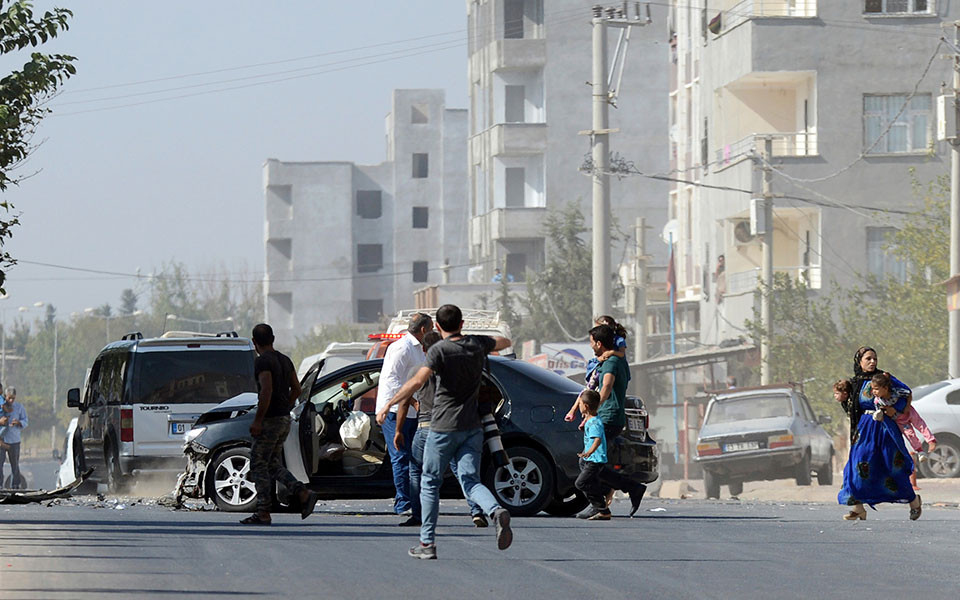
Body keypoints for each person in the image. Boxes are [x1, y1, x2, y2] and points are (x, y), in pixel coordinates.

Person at [387, 303, 513, 559]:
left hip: (442, 427)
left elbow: (417, 382)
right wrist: (481, 340)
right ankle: (494, 510)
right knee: (470, 480)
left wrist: (389, 402)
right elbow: (504, 341)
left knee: (430, 482)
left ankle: (427, 544)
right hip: (472, 427)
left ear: (438, 327)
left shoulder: (439, 351)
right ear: (462, 324)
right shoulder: (476, 344)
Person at [391, 331, 487, 528]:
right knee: (462, 472)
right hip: (452, 426)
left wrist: (399, 430)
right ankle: (476, 510)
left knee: (416, 470)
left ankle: (418, 515)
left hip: (426, 428)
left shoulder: (417, 372)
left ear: (424, 349)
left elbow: (402, 402)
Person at [241, 323, 318, 525]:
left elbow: (266, 390)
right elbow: (297, 389)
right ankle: (302, 492)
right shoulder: (285, 360)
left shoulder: (262, 362)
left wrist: (258, 419)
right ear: (273, 339)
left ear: (254, 342)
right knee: (272, 464)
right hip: (283, 418)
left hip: (269, 420)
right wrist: (286, 405)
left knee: (258, 464)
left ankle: (263, 511)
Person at [565, 325, 645, 518]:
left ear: (599, 343)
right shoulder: (614, 360)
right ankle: (614, 497)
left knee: (589, 464)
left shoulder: (610, 364)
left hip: (608, 417)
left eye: (592, 342)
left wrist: (591, 410)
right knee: (592, 464)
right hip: (610, 417)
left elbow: (606, 387)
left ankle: (602, 504)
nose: (591, 346)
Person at [836, 346, 921, 521]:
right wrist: (843, 400)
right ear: (859, 362)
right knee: (856, 466)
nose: (873, 361)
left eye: (874, 358)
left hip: (885, 429)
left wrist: (893, 409)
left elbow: (905, 393)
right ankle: (858, 507)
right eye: (868, 359)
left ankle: (913, 501)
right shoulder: (855, 383)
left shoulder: (884, 378)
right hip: (865, 430)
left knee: (892, 466)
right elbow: (852, 408)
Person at [375, 312, 433, 519]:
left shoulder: (419, 350)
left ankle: (413, 502)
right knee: (400, 457)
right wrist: (412, 402)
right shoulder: (402, 348)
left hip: (411, 412)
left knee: (412, 459)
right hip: (394, 411)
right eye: (431, 328)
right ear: (424, 329)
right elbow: (393, 382)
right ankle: (403, 503)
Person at [574, 390, 610, 520]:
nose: (578, 407)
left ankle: (602, 508)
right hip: (590, 459)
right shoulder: (590, 419)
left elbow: (597, 439)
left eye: (580, 404)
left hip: (595, 459)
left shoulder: (595, 422)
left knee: (581, 483)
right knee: (589, 481)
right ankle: (603, 497)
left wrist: (589, 452)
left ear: (586, 406)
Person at [0, 386, 27, 489]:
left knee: (14, 465)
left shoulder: (19, 407)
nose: (11, 400)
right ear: (5, 396)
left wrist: (19, 422)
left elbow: (25, 420)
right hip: (1, 441)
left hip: (14, 440)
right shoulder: (1, 406)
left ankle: (15, 486)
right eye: (9, 398)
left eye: (13, 398)